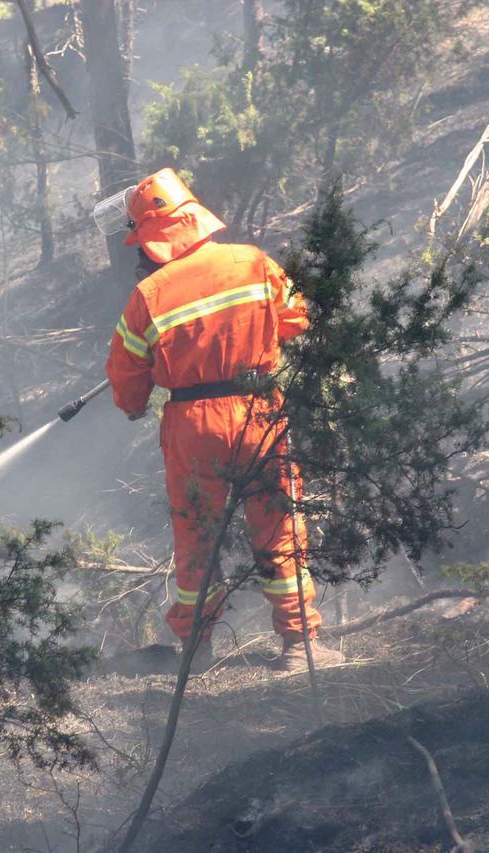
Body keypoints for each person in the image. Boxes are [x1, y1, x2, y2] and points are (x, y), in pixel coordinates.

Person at [97, 168, 344, 673]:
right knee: (278, 523)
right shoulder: (252, 262)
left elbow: (126, 375)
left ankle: (196, 651)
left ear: (151, 238)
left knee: (196, 534)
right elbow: (297, 319)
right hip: (260, 411)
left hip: (193, 424)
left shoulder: (148, 296)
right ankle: (300, 645)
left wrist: (134, 403)